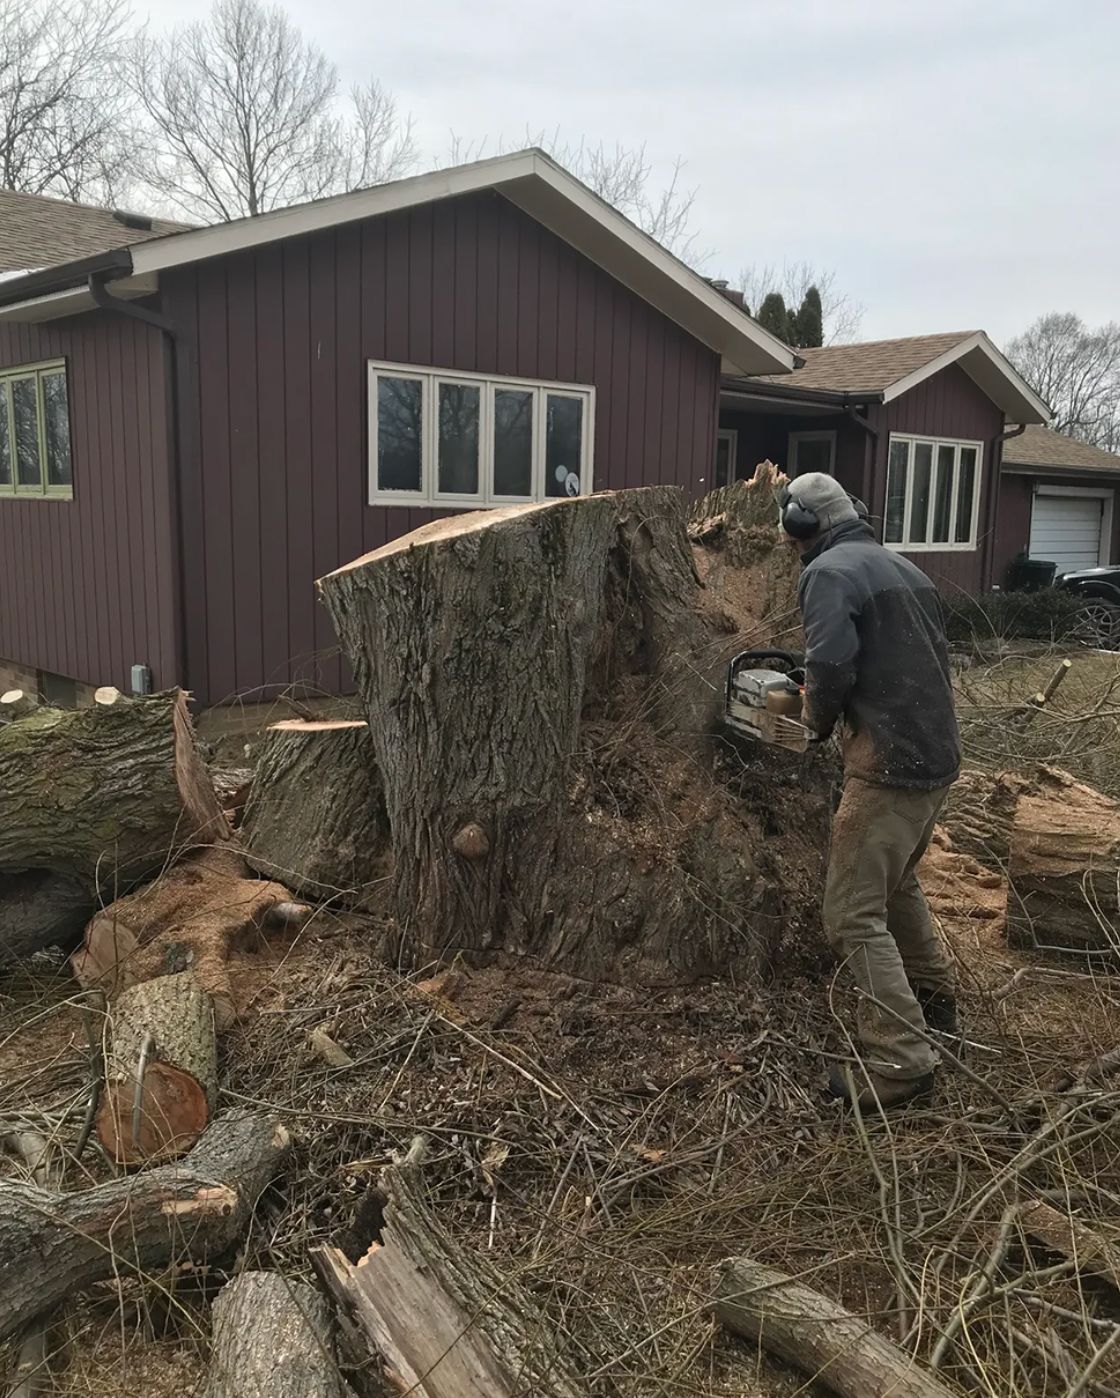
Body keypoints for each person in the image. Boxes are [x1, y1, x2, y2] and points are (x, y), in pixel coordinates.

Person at [780, 471, 960, 1110]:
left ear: (801, 526)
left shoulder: (827, 573)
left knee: (851, 914)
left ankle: (902, 1059)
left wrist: (814, 722)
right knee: (899, 883)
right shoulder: (903, 567)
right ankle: (936, 1006)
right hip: (937, 757)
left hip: (888, 766)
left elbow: (829, 663)